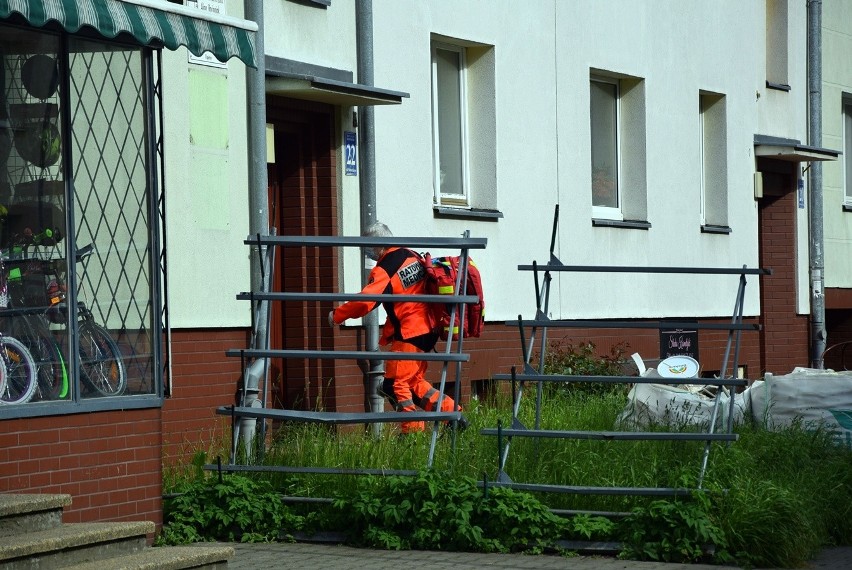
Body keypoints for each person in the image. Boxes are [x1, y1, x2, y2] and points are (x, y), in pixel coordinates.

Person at [327, 222, 466, 434]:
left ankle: (412, 432)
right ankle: (452, 415)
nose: (369, 254)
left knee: (394, 385)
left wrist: (338, 314)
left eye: (369, 248)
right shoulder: (410, 255)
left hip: (409, 333)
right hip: (428, 330)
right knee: (412, 383)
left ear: (378, 246)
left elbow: (367, 301)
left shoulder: (385, 267)